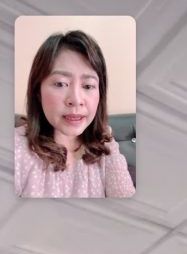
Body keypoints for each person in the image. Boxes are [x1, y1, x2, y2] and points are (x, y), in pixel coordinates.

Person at [15, 29, 135, 198]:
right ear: (37, 91)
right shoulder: (15, 149)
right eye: (60, 84)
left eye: (88, 86)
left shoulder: (105, 144)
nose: (76, 100)